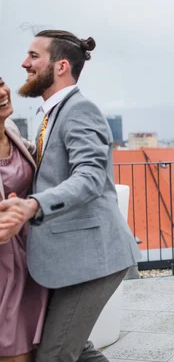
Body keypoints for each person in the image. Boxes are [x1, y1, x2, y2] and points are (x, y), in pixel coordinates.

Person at [0, 30, 140, 362]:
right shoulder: (47, 114)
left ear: (61, 66)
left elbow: (90, 176)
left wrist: (32, 205)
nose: (24, 63)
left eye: (34, 56)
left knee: (55, 354)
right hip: (67, 259)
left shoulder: (80, 109)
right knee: (78, 349)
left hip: (93, 259)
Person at [0, 77, 47, 362]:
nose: (3, 93)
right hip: (3, 265)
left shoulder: (13, 130)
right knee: (11, 345)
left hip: (30, 258)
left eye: (1, 83)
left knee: (34, 344)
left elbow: (42, 158)